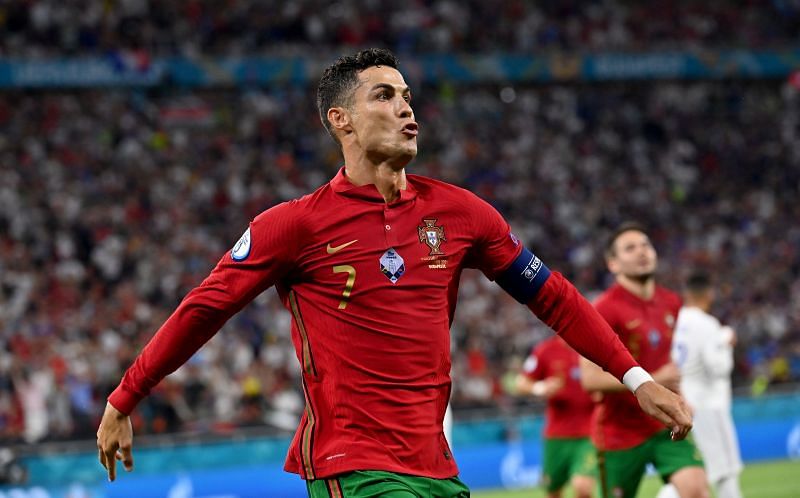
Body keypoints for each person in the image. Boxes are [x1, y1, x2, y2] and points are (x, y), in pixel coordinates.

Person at [96, 49, 693, 497]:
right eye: (383, 96)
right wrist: (125, 398)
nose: (406, 108)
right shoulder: (294, 225)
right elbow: (205, 308)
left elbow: (554, 297)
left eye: (407, 96)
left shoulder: (462, 213)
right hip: (350, 464)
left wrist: (638, 380)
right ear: (342, 121)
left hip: (436, 463)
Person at [580, 223, 709, 498]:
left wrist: (683, 396)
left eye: (645, 245)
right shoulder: (603, 309)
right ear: (613, 264)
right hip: (619, 432)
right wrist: (653, 379)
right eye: (630, 248)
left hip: (666, 423)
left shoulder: (671, 302)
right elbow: (590, 379)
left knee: (697, 490)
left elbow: (671, 361)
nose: (642, 252)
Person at [672, 270, 743, 498]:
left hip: (684, 401)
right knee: (725, 470)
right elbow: (719, 368)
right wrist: (726, 343)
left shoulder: (677, 320)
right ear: (709, 293)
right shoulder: (707, 324)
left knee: (689, 472)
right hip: (708, 404)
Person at [516, 336, 596, 498]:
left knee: (583, 487)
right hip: (557, 436)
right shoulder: (545, 350)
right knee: (553, 491)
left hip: (589, 434)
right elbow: (521, 383)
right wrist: (541, 388)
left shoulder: (595, 347)